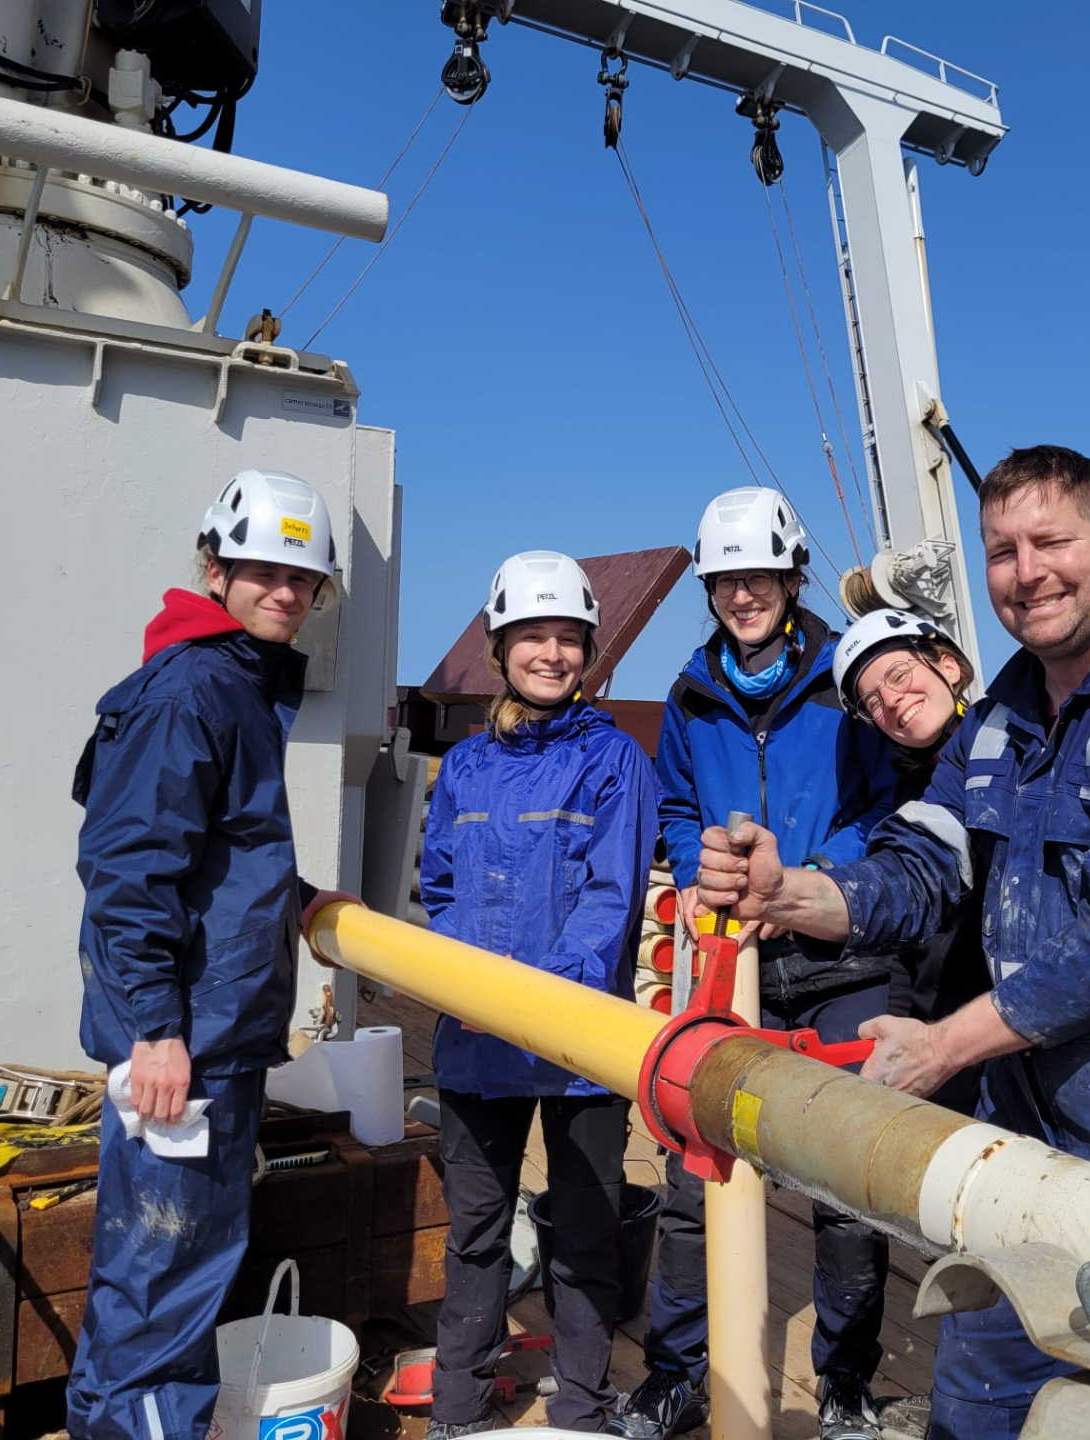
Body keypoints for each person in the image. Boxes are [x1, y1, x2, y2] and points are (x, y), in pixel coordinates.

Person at [693, 446, 1090, 1439]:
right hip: (1035, 1119)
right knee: (982, 1398)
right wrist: (795, 895)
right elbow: (923, 863)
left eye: (1051, 542)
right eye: (1002, 551)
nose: (1027, 571)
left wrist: (946, 1046)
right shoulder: (999, 723)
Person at [67, 468, 363, 1439]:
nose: (285, 591)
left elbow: (217, 854)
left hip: (214, 1040)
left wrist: (300, 897)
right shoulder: (194, 687)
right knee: (158, 1303)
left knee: (175, 1292)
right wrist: (156, 1030)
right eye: (264, 571)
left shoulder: (233, 679)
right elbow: (128, 872)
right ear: (215, 566)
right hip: (182, 1050)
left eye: (302, 579)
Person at [609, 488, 898, 1440]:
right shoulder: (692, 694)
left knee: (846, 1187)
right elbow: (679, 805)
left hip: (839, 954)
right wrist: (700, 864)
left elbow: (880, 809)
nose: (743, 595)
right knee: (696, 1175)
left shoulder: (844, 679)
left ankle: (846, 1387)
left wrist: (812, 879)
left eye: (759, 577)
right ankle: (677, 1372)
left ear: (792, 577)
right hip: (729, 963)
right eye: (727, 580)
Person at [422, 551, 660, 1438]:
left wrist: (543, 1001)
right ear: (500, 646)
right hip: (477, 1040)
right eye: (533, 636)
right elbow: (438, 890)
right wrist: (463, 985)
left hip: (576, 1043)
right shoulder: (467, 767)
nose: (551, 654)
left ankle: (584, 1412)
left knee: (586, 1237)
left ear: (589, 650)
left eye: (568, 638)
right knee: (476, 1234)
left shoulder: (614, 762)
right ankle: (457, 1409)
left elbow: (611, 898)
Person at [829, 609, 988, 1116]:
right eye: (873, 701)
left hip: (1005, 1036)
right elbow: (907, 951)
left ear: (949, 664)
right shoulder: (901, 804)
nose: (892, 701)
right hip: (936, 1031)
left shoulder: (1020, 765)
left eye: (898, 675)